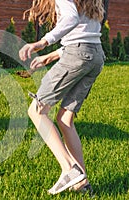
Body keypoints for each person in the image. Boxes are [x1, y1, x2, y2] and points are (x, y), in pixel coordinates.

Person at [19, 0, 105, 196]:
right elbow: (85, 35)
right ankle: (81, 184)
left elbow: (71, 19)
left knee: (36, 111)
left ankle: (68, 169)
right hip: (96, 56)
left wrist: (43, 42)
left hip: (78, 55)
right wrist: (50, 56)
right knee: (65, 120)